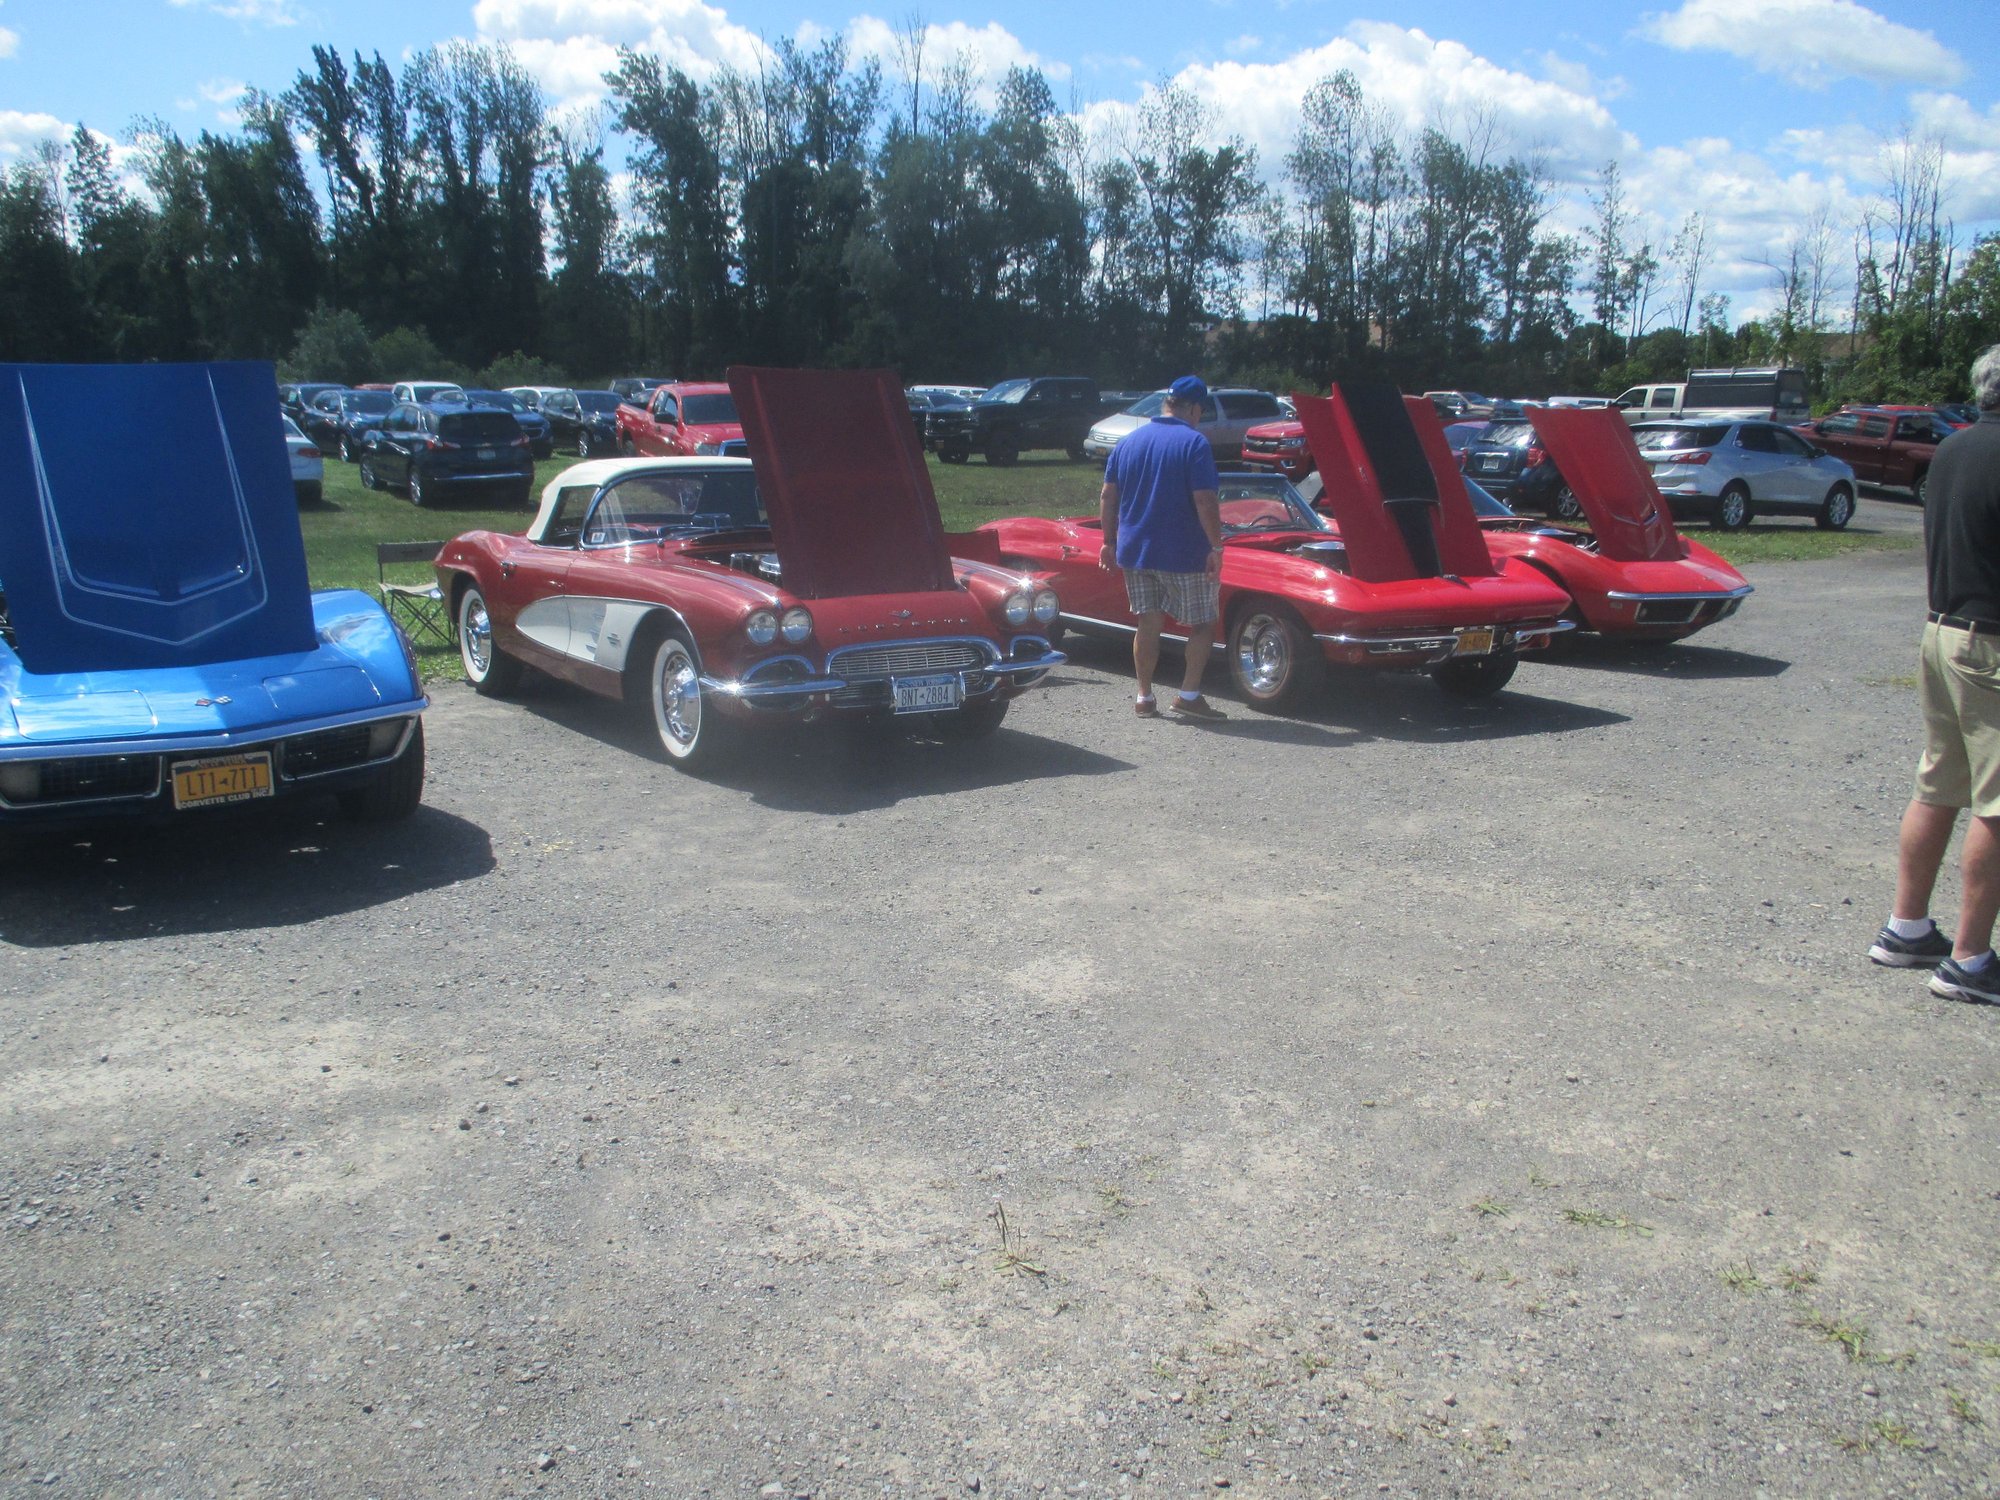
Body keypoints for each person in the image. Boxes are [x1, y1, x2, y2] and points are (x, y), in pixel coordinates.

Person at [1871, 343, 2000, 1003]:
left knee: (1939, 785)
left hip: (1941, 631)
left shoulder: (1952, 450)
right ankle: (1972, 962)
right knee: (1997, 803)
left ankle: (1907, 927)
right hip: (1992, 644)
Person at [1098, 375, 1226, 721]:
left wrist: (1108, 541)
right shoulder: (1194, 443)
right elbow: (1204, 500)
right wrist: (1216, 545)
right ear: (1195, 408)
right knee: (1203, 623)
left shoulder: (1128, 442)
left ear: (1166, 403)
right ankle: (1188, 695)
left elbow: (1108, 496)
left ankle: (1144, 696)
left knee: (1148, 622)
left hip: (1136, 550)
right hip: (1183, 552)